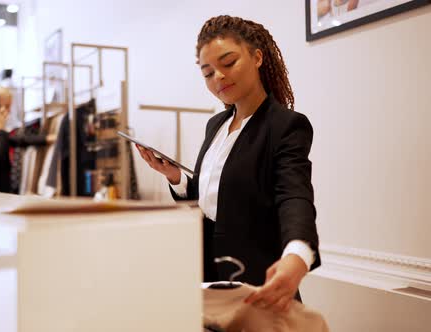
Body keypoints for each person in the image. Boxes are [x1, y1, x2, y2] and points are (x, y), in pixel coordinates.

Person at [136, 15, 321, 313]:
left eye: (228, 63)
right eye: (208, 73)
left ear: (257, 57)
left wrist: (297, 255)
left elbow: (294, 195)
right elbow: (215, 195)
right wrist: (177, 178)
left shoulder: (285, 126)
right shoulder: (216, 125)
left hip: (253, 276)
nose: (218, 77)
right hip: (205, 275)